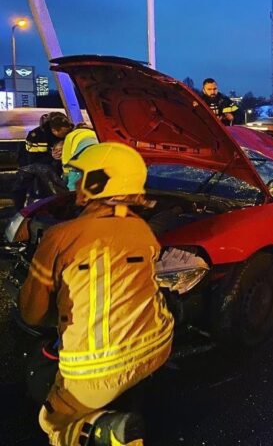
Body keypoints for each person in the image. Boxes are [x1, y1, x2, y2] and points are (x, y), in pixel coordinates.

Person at [19, 142, 174, 446]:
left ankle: (104, 430)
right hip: (157, 346)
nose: (72, 182)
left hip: (95, 370)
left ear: (98, 181)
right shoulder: (142, 230)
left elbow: (32, 313)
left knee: (51, 420)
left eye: (79, 175)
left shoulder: (61, 237)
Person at [12, 112, 73, 210]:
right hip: (32, 163)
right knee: (26, 186)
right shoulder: (36, 136)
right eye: (63, 133)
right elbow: (32, 161)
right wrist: (52, 156)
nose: (66, 135)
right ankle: (20, 209)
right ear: (54, 130)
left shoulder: (68, 131)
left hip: (53, 164)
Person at [61, 124, 98, 191]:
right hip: (99, 152)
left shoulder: (71, 135)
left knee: (74, 183)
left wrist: (66, 175)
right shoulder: (94, 132)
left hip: (83, 154)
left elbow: (66, 159)